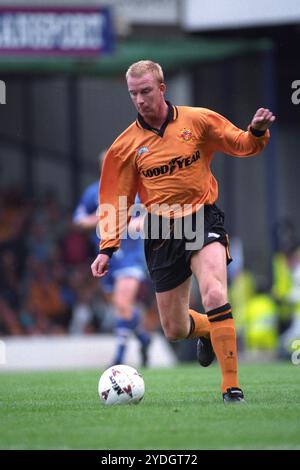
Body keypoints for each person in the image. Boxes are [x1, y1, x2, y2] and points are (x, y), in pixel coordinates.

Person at [91, 60, 275, 403]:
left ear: (162, 88)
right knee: (174, 329)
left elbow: (241, 143)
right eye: (133, 94)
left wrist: (257, 132)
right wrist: (107, 247)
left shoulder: (199, 120)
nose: (140, 99)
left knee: (216, 293)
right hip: (161, 229)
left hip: (199, 218)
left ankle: (231, 386)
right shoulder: (124, 147)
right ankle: (207, 330)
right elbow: (115, 198)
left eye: (146, 91)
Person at [73, 160, 151, 366]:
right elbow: (79, 220)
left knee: (123, 304)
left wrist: (137, 222)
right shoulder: (93, 193)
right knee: (121, 307)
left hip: (130, 258)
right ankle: (143, 337)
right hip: (106, 258)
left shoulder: (135, 190)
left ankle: (119, 358)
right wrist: (101, 219)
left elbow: (151, 215)